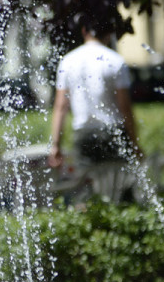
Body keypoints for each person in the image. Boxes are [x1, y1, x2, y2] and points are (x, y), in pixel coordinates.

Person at [48, 19, 141, 177]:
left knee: (85, 187)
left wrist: (55, 144)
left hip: (83, 133)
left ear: (84, 31)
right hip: (113, 131)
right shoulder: (116, 61)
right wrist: (134, 141)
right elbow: (124, 107)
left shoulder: (68, 61)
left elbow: (61, 107)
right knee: (119, 183)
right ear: (108, 34)